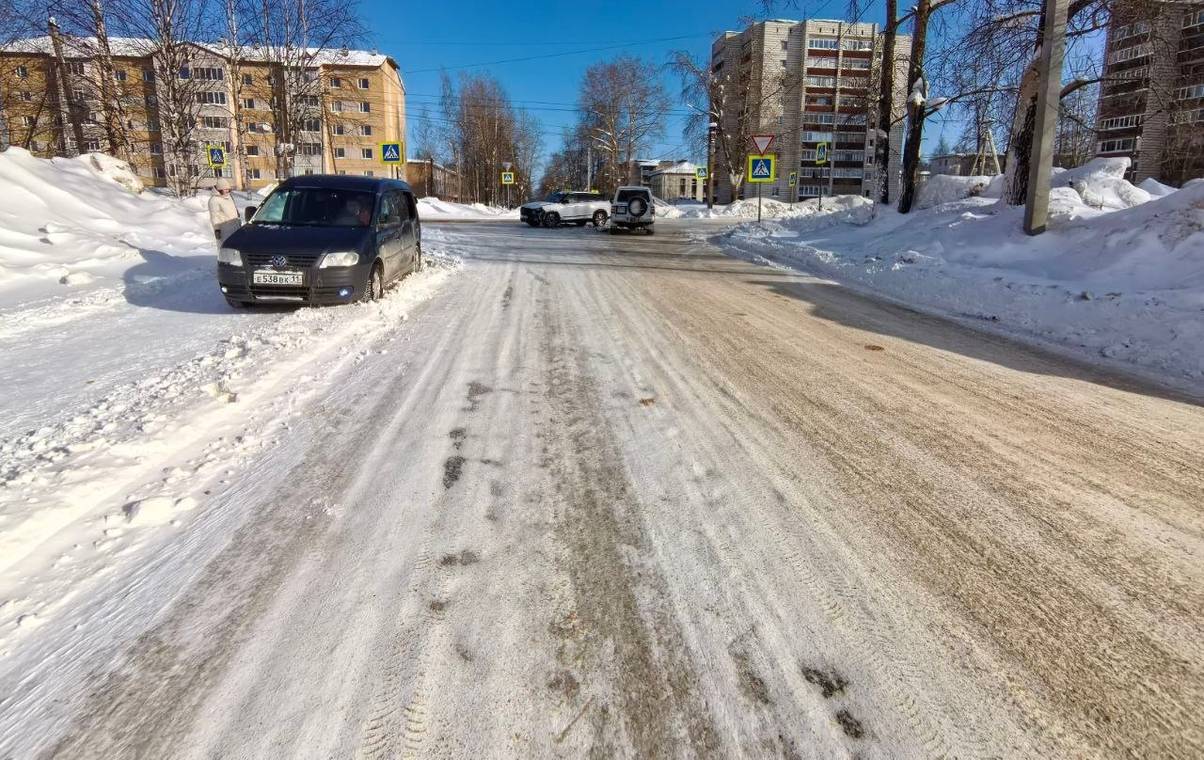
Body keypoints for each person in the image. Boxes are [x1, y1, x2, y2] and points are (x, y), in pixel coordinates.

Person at [208, 178, 240, 242]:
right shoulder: (214, 200)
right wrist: (217, 229)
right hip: (225, 230)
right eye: (225, 189)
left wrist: (238, 218)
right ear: (219, 189)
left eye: (228, 189)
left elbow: (233, 208)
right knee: (228, 246)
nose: (227, 191)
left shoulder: (229, 196)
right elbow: (214, 216)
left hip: (235, 227)